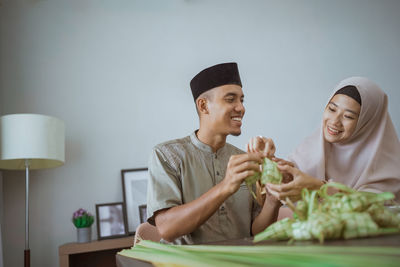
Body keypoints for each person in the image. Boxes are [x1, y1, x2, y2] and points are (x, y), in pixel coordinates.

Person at [146, 62, 280, 244]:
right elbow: (167, 229)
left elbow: (255, 231)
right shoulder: (167, 155)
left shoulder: (244, 160)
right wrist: (226, 186)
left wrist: (273, 200)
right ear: (203, 106)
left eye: (242, 100)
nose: (241, 108)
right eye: (230, 99)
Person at [248, 77, 400, 202]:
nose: (334, 121)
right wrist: (266, 164)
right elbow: (265, 204)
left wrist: (320, 188)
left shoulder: (387, 167)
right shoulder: (310, 150)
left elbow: (376, 210)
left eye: (348, 116)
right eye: (332, 109)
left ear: (367, 122)